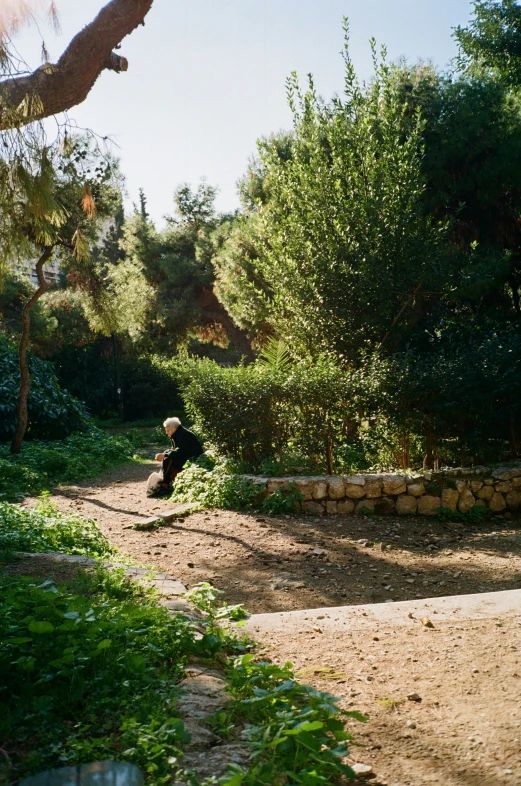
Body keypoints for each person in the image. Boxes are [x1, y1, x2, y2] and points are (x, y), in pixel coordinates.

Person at [146, 417, 203, 498]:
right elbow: (175, 449)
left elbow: (179, 451)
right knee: (166, 453)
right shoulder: (178, 433)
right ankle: (165, 482)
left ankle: (165, 485)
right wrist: (164, 453)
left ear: (174, 428)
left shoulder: (182, 434)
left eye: (168, 430)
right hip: (186, 456)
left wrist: (164, 455)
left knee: (167, 459)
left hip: (193, 459)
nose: (166, 432)